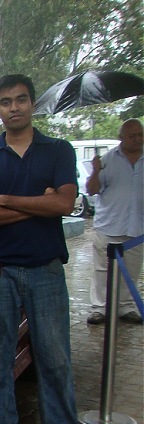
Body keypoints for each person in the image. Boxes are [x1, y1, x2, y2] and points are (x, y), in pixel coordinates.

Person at [0, 74, 89, 424]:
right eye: (5, 101)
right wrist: (42, 204)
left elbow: (66, 203)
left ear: (33, 104)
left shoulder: (58, 150)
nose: (14, 107)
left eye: (20, 100)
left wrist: (10, 200)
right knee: (0, 361)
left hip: (45, 270)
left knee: (55, 361)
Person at [85, 118, 144, 326]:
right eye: (132, 135)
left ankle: (126, 306)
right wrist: (95, 170)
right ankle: (99, 308)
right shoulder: (108, 159)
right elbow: (92, 190)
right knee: (103, 269)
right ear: (121, 138)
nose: (137, 139)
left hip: (137, 227)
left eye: (140, 134)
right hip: (109, 225)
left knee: (132, 269)